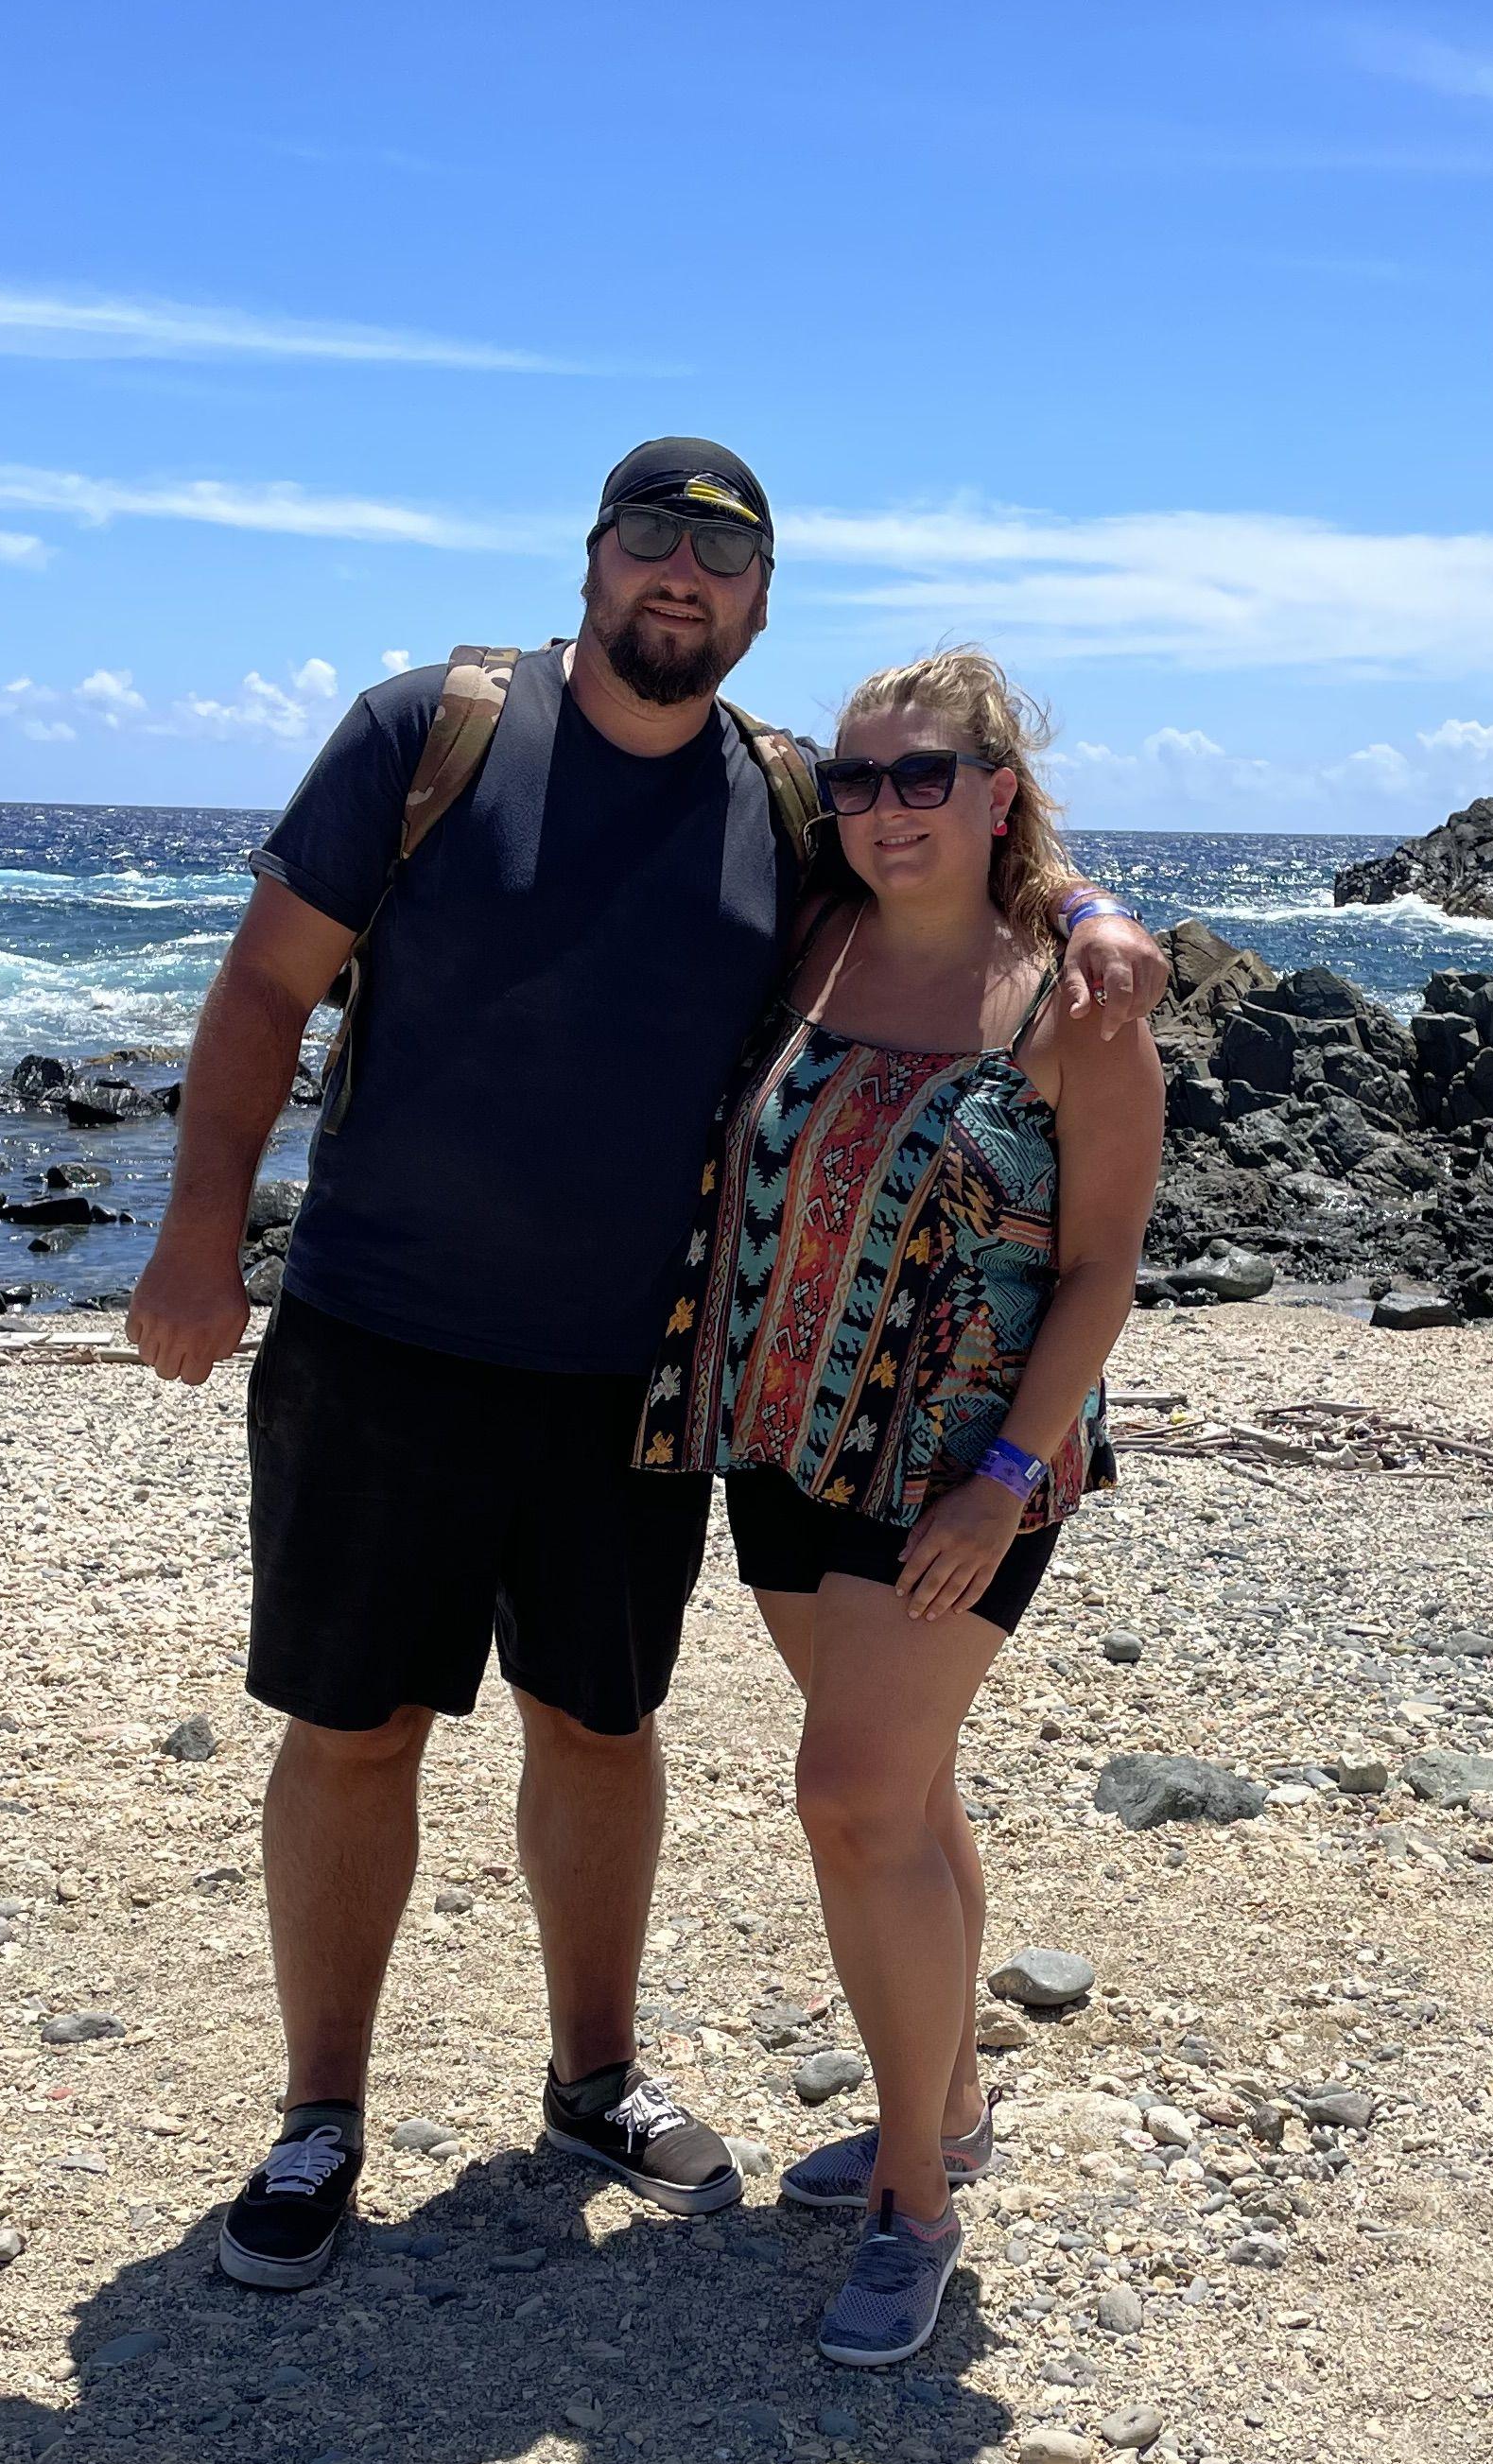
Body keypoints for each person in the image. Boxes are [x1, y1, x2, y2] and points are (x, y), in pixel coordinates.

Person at [122, 440, 1169, 2296]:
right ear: (592, 560)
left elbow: (987, 912)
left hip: (646, 1382)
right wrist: (202, 1230)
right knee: (354, 1728)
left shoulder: (780, 804)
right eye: (648, 539)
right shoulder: (426, 733)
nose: (679, 574)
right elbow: (269, 985)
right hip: (386, 1336)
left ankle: (596, 2072)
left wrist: (1088, 914)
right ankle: (319, 2117)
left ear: (759, 604)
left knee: (602, 1724)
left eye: (721, 554)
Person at [638, 649, 1165, 2367]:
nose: (881, 808)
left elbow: (1101, 1276)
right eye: (858, 781)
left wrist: (1008, 1479)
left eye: (922, 775)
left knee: (850, 1800)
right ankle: (943, 2109)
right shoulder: (820, 936)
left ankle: (915, 2207)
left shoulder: (1078, 1008)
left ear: (998, 788)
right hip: (785, 1434)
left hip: (958, 1474)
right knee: (908, 1785)